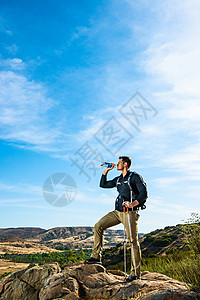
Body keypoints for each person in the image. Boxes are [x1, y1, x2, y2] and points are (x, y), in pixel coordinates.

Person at [84, 156, 147, 282]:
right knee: (98, 226)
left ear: (125, 164)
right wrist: (106, 170)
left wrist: (133, 204)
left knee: (133, 242)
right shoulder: (118, 179)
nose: (117, 164)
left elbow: (144, 193)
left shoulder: (134, 177)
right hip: (117, 212)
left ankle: (135, 274)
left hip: (130, 213)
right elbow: (103, 184)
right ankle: (96, 257)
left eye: (119, 163)